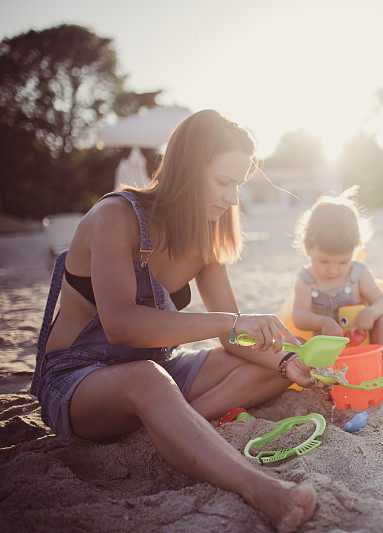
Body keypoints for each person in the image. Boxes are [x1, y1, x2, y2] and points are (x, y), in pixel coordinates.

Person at [30, 109, 318, 532]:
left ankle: (179, 423)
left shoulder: (206, 231)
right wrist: (229, 322)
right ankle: (260, 489)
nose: (233, 198)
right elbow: (121, 325)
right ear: (186, 170)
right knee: (147, 377)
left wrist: (286, 361)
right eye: (224, 182)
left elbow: (234, 340)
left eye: (238, 184)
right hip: (76, 380)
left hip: (157, 371)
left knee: (277, 365)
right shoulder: (116, 216)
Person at [291, 188, 383, 398]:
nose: (333, 270)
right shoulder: (306, 280)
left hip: (364, 340)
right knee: (302, 342)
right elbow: (298, 316)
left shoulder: (358, 272)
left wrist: (370, 313)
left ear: (356, 249)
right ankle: (325, 386)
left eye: (343, 262)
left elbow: (381, 301)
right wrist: (321, 322)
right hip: (331, 349)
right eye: (324, 262)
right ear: (308, 248)